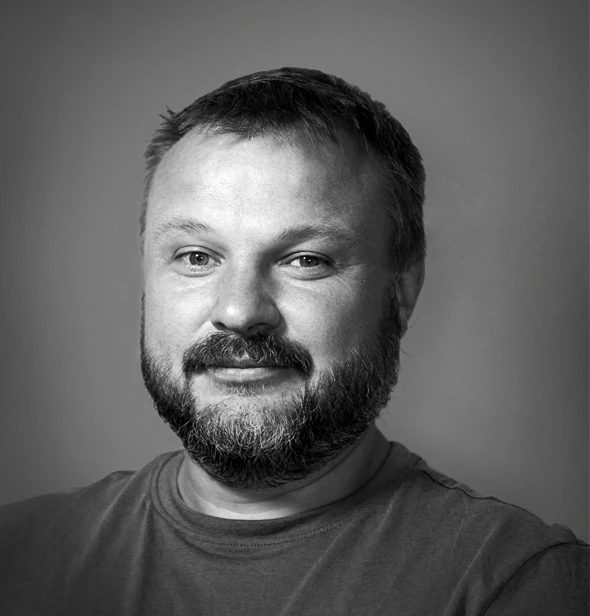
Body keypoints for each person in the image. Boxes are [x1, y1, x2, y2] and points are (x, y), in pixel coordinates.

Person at [0, 67, 587, 615]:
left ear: (402, 293)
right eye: (196, 257)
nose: (238, 312)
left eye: (306, 259)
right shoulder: (17, 557)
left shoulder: (520, 584)